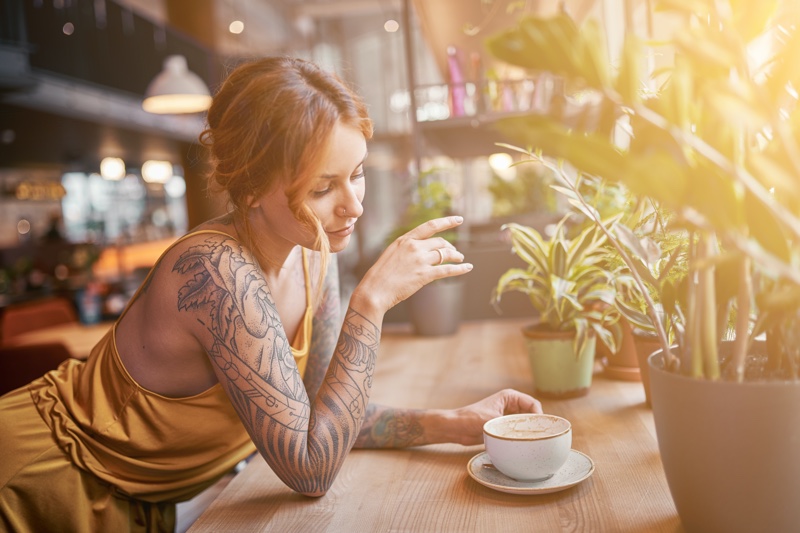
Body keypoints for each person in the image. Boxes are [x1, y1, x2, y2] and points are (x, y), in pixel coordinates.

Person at [0, 56, 542, 532]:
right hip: (41, 479)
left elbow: (326, 418)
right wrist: (370, 303)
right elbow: (311, 469)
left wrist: (455, 423)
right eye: (322, 188)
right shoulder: (218, 273)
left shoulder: (313, 252)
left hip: (134, 490)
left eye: (357, 175)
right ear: (253, 186)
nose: (353, 205)